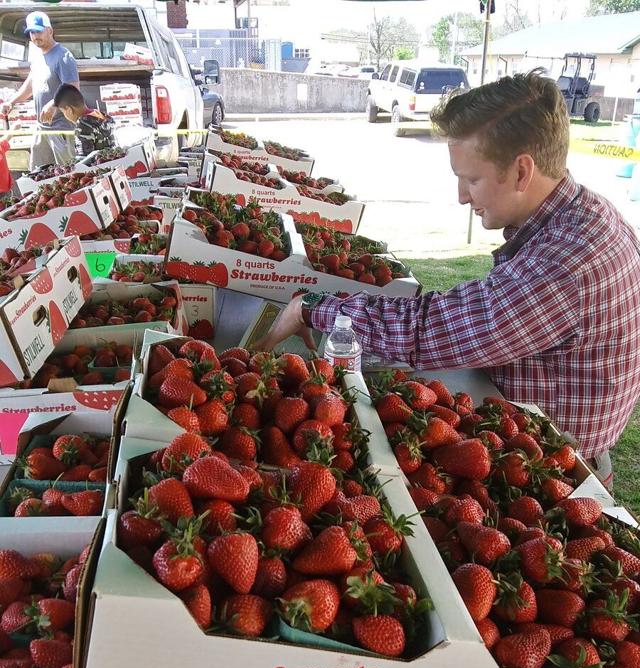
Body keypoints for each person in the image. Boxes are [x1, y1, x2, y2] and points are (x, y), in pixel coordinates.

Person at [256, 71, 640, 486]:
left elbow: (433, 328)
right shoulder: (586, 213)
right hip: (536, 440)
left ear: (522, 172)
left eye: (471, 178)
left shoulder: (568, 261)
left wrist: (313, 308)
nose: (461, 195)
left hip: (552, 471)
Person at [0, 11, 79, 170]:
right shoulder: (37, 58)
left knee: (67, 175)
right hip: (41, 129)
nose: (35, 36)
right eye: (31, 32)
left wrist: (54, 103)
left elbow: (73, 87)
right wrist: (11, 102)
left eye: (39, 31)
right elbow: (30, 86)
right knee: (38, 175)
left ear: (50, 30)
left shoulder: (64, 56)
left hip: (61, 129)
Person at [53, 84, 116, 157]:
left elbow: (84, 161)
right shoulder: (101, 115)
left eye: (63, 112)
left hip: (98, 167)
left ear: (69, 110)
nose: (65, 115)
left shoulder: (82, 126)